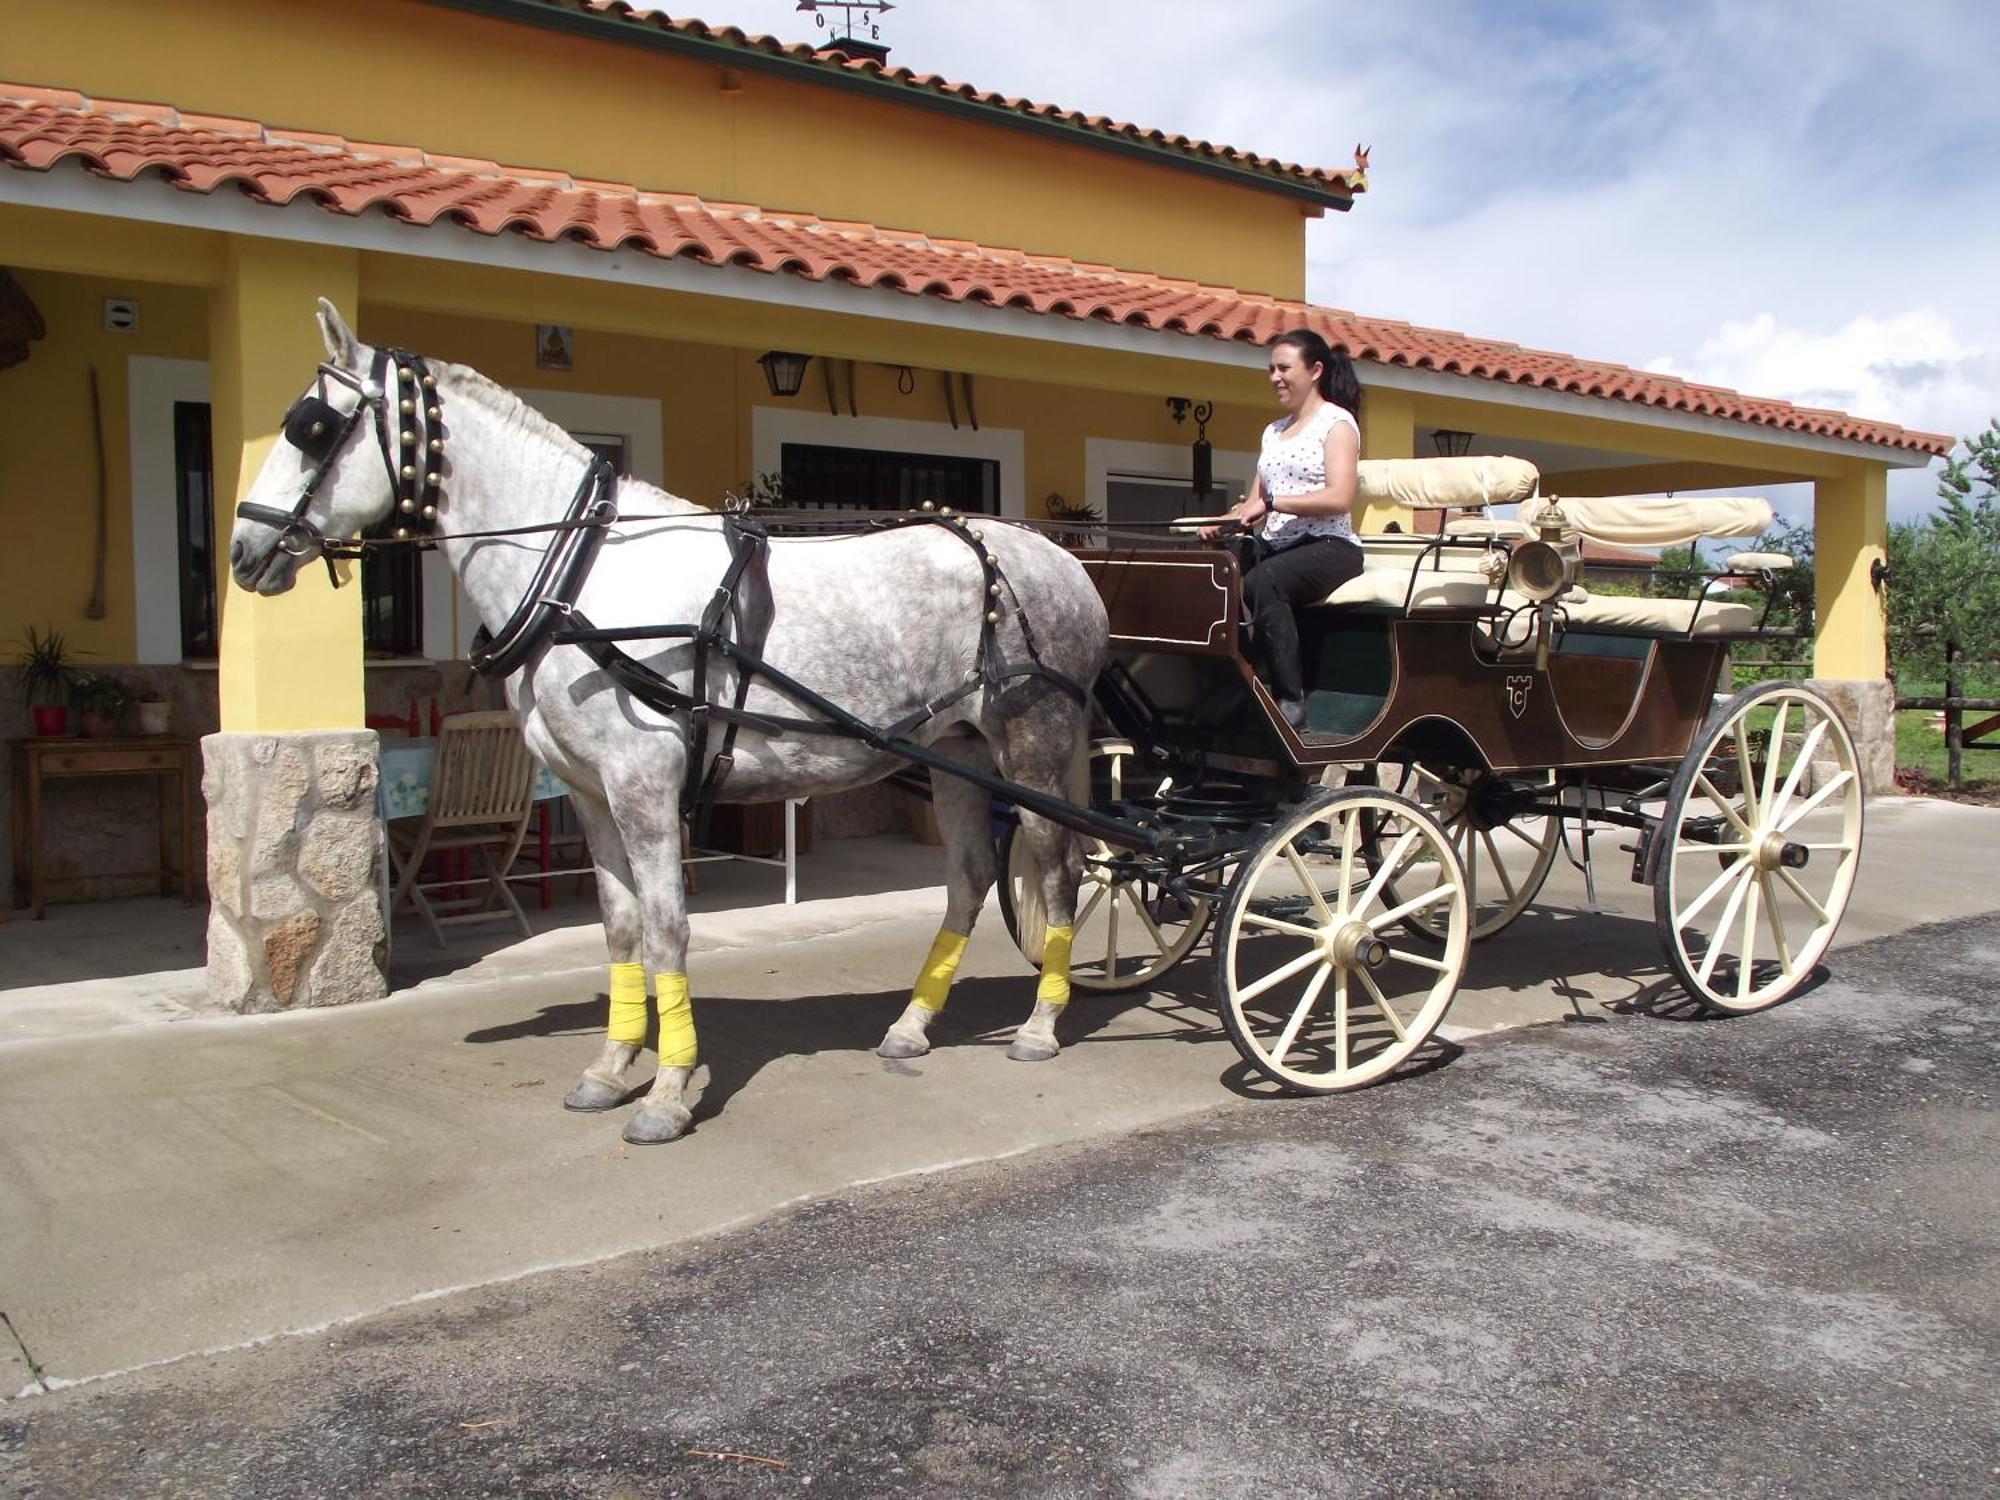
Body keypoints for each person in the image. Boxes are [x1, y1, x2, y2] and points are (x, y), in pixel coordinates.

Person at [1199, 328, 1365, 729]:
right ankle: (1231, 683)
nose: (1274, 376)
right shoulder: (1272, 432)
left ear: (1316, 371)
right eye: (1271, 368)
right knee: (1213, 575)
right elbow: (1253, 502)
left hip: (1331, 545)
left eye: (1284, 368)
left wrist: (1273, 504)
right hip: (1279, 545)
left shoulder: (1337, 424)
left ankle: (1290, 699)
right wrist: (1219, 522)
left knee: (1263, 582)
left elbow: (1340, 497)